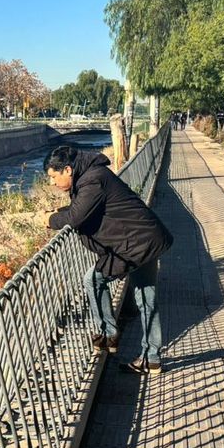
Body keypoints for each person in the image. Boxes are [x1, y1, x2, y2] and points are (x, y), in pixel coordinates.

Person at [45, 145, 172, 374]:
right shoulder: (92, 176)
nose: (52, 183)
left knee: (94, 280)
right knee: (146, 299)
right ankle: (150, 358)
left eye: (54, 177)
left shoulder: (92, 179)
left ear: (68, 170)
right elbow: (85, 206)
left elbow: (76, 216)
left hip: (136, 244)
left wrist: (50, 220)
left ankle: (110, 335)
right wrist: (60, 210)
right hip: (143, 239)